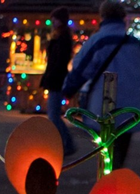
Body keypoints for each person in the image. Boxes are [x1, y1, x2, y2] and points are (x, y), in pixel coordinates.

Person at [62, 0, 140, 169]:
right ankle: (117, 183)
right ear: (122, 18)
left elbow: (81, 69)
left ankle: (107, 185)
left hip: (104, 105)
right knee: (121, 151)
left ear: (103, 16)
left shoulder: (97, 41)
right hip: (131, 108)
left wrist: (68, 89)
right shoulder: (135, 44)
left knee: (105, 153)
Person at [39, 7, 77, 156]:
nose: (52, 22)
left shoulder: (62, 39)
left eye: (54, 19)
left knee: (54, 115)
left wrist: (50, 76)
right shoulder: (62, 38)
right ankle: (65, 143)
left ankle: (67, 144)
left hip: (56, 80)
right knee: (54, 114)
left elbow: (58, 61)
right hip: (56, 79)